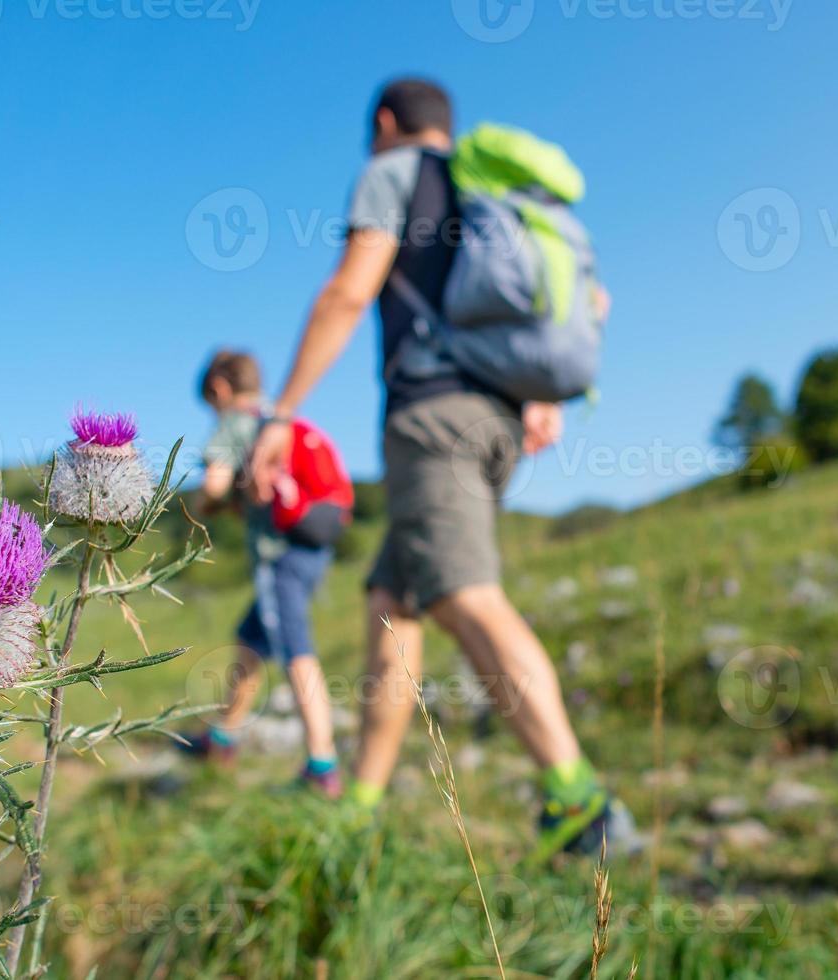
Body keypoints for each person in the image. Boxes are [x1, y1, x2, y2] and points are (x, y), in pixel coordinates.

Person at [247, 78, 636, 859]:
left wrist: (280, 412)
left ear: (385, 124)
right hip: (492, 419)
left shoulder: (393, 173)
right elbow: (593, 302)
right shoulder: (493, 194)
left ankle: (581, 805)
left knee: (464, 594)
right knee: (394, 605)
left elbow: (351, 288)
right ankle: (360, 801)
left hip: (433, 421)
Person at [180, 350, 343, 798]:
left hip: (279, 556)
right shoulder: (279, 416)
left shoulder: (236, 421)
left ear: (220, 389)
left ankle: (322, 766)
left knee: (295, 650)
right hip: (313, 547)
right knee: (250, 639)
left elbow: (213, 485)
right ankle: (223, 738)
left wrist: (206, 505)